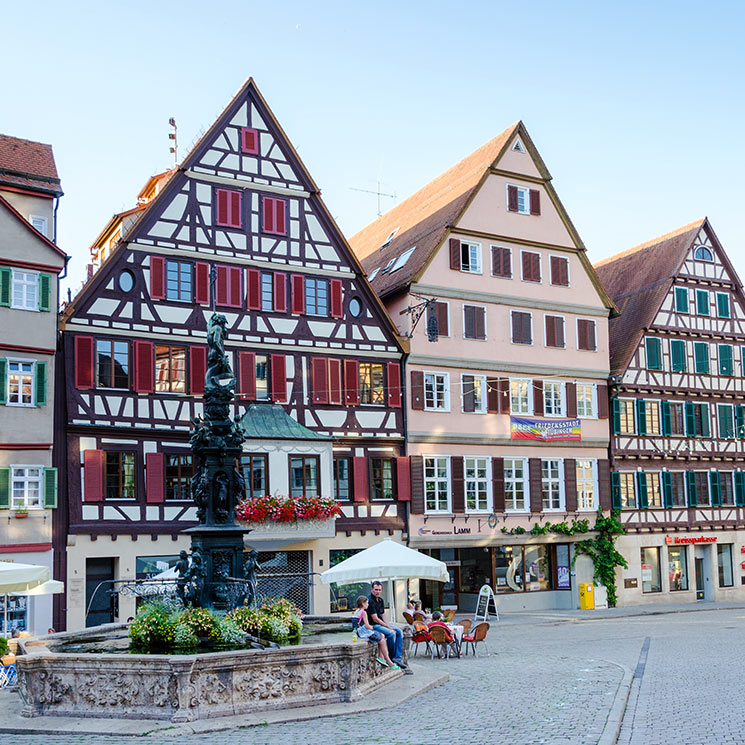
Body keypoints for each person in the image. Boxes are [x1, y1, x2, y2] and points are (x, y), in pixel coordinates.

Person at [367, 581, 406, 668]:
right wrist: (388, 627)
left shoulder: (380, 600)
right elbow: (375, 619)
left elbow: (382, 615)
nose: (378, 592)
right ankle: (391, 657)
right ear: (372, 590)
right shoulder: (369, 601)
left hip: (381, 624)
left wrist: (388, 625)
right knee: (391, 633)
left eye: (379, 590)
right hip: (373, 625)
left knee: (399, 631)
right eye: (376, 590)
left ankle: (397, 657)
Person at [353, 596, 398, 669]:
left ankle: (381, 657)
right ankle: (389, 661)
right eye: (367, 603)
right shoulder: (363, 612)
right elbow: (367, 626)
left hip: (358, 632)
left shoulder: (356, 611)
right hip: (363, 632)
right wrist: (372, 628)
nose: (368, 605)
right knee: (382, 640)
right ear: (363, 604)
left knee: (382, 635)